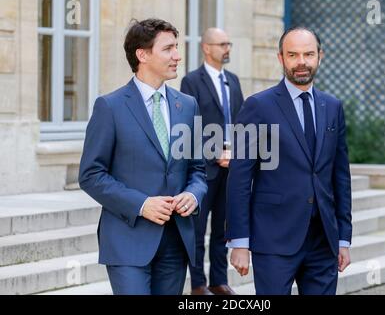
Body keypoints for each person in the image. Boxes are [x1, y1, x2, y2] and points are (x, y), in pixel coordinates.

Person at [78, 18, 207, 295]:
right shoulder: (109, 107)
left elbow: (198, 169)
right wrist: (141, 204)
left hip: (176, 241)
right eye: (169, 48)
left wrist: (193, 195)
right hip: (127, 240)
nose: (177, 56)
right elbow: (91, 175)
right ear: (143, 54)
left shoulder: (187, 105)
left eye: (177, 47)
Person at [225, 26, 352, 295]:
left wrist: (343, 238)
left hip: (323, 239)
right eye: (293, 55)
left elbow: (340, 176)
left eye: (308, 54)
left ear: (320, 56)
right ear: (281, 58)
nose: (301, 62)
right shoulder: (257, 106)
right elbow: (239, 177)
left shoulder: (332, 107)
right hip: (273, 239)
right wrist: (239, 241)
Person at [180, 28, 244, 295]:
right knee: (196, 230)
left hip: (232, 167)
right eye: (222, 44)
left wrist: (238, 153)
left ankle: (218, 280)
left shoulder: (234, 80)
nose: (227, 48)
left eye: (229, 43)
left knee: (222, 229)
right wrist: (215, 152)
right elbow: (190, 125)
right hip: (204, 169)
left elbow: (241, 120)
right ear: (206, 48)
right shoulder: (191, 81)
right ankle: (197, 284)